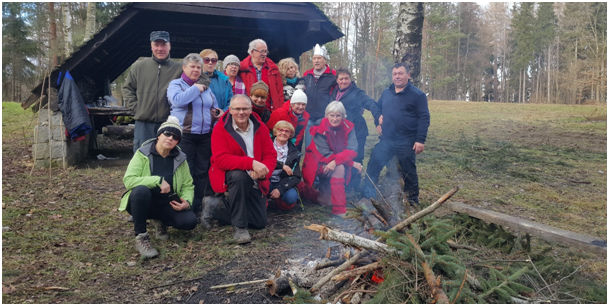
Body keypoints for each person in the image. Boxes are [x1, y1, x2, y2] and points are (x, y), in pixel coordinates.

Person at [118, 116, 197, 258]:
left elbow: (188, 185)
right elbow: (129, 180)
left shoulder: (180, 158)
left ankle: (161, 222)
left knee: (189, 221)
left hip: (167, 202)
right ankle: (141, 236)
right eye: (167, 134)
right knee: (141, 191)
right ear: (159, 135)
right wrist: (157, 180)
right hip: (143, 201)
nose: (170, 138)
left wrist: (186, 201)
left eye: (175, 137)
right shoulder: (142, 153)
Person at [203, 95, 277, 244]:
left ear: (251, 110)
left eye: (245, 108)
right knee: (239, 176)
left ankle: (215, 206)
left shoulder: (260, 127)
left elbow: (271, 154)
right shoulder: (220, 129)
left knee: (259, 222)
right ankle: (240, 227)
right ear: (230, 110)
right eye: (237, 109)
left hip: (256, 178)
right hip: (231, 176)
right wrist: (251, 163)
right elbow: (220, 159)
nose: (241, 112)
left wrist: (264, 170)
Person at [363, 63, 430, 206]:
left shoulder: (417, 95)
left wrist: (420, 140)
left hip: (407, 140)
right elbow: (378, 109)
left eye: (400, 73)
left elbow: (424, 118)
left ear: (408, 75)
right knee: (374, 163)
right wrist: (377, 122)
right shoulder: (387, 92)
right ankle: (368, 195)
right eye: (395, 74)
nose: (397, 76)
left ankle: (412, 200)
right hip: (387, 139)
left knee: (409, 171)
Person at [167, 53, 222, 220]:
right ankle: (185, 205)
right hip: (186, 135)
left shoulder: (206, 87)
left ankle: (197, 206)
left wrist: (218, 112)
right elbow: (177, 101)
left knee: (201, 171)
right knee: (187, 171)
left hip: (205, 135)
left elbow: (214, 104)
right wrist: (196, 88)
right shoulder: (176, 84)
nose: (196, 70)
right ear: (184, 68)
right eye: (192, 66)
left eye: (199, 67)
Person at [122, 31, 182, 152]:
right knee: (142, 156)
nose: (160, 48)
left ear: (169, 46)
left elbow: (198, 75)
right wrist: (137, 108)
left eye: (163, 45)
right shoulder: (138, 66)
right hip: (143, 123)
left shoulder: (179, 68)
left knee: (166, 155)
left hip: (167, 122)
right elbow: (127, 88)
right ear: (151, 46)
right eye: (156, 44)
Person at [302, 101, 361, 216]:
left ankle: (335, 204)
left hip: (334, 162)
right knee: (339, 169)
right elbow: (325, 154)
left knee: (327, 201)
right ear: (326, 115)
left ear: (343, 116)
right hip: (317, 163)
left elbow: (352, 149)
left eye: (338, 115)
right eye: (332, 115)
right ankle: (338, 209)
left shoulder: (348, 126)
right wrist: (351, 163)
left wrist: (337, 161)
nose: (335, 119)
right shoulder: (319, 127)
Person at [330, 68, 381, 191]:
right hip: (341, 131)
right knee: (344, 156)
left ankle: (354, 186)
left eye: (346, 78)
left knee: (357, 156)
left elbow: (371, 103)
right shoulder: (334, 92)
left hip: (357, 129)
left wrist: (378, 118)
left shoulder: (357, 93)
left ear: (350, 79)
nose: (343, 81)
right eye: (341, 79)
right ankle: (344, 183)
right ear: (337, 80)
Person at [302, 44, 337, 149]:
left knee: (323, 148)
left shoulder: (333, 75)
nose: (316, 61)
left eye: (319, 58)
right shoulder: (307, 75)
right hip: (309, 118)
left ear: (325, 60)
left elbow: (336, 96)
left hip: (324, 117)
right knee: (309, 147)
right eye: (314, 58)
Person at [239, 38, 284, 112]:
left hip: (269, 111)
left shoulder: (273, 69)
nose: (264, 54)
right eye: (262, 51)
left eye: (266, 51)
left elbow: (280, 92)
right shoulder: (242, 69)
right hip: (248, 111)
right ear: (252, 52)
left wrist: (279, 111)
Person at [268, 121, 302, 211]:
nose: (283, 133)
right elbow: (264, 162)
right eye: (280, 130)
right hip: (266, 179)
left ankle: (278, 202)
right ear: (275, 132)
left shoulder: (294, 151)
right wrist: (281, 165)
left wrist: (280, 189)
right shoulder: (266, 144)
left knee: (291, 197)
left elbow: (296, 176)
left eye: (287, 131)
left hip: (282, 181)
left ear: (290, 134)